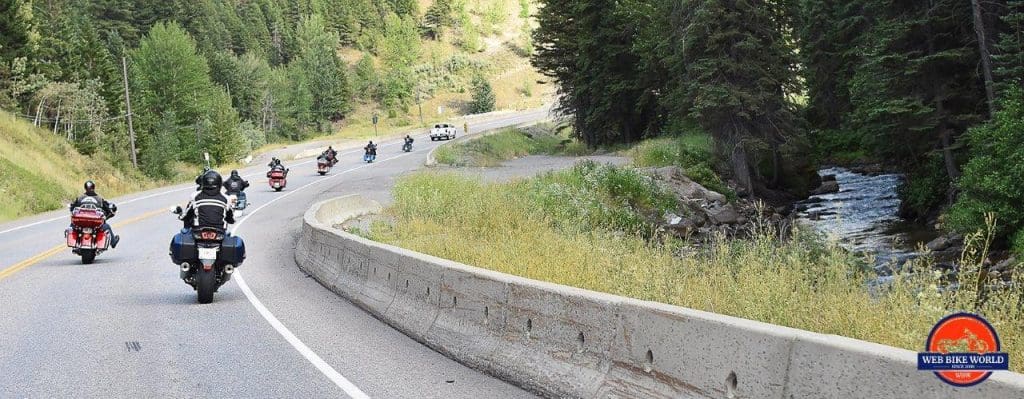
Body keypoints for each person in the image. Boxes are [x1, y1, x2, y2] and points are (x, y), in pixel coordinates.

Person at [69, 180, 119, 248]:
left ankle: (76, 242)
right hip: (95, 223)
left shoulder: (80, 198)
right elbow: (108, 208)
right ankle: (113, 243)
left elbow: (72, 208)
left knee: (72, 225)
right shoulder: (99, 199)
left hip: (81, 222)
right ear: (93, 187)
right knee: (107, 226)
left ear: (85, 188)